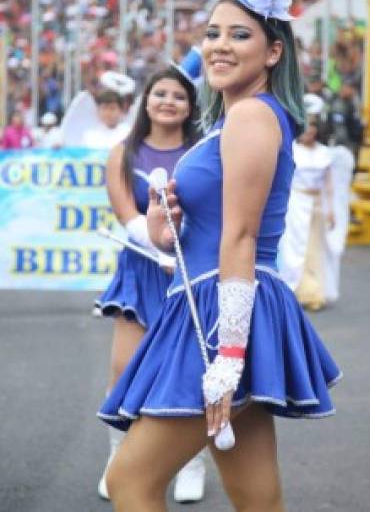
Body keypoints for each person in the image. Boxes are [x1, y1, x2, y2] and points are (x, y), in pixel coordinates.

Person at [98, 0, 341, 512]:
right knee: (258, 502)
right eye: (212, 34)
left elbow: (241, 238)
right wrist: (165, 231)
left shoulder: (254, 115)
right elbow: (211, 231)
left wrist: (229, 354)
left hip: (222, 313)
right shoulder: (232, 119)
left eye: (239, 35)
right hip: (220, 301)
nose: (219, 46)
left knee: (131, 482)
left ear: (274, 51)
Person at [95, 57, 210, 502]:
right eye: (160, 93)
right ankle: (117, 460)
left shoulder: (203, 152)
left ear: (189, 105)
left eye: (179, 96)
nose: (168, 101)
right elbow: (126, 214)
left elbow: (210, 211)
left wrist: (182, 252)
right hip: (142, 270)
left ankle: (191, 463)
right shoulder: (124, 152)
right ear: (146, 101)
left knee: (191, 370)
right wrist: (158, 243)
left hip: (191, 273)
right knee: (126, 367)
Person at [278, 94, 353, 311]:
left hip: (316, 205)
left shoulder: (324, 153)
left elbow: (329, 184)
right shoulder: (292, 150)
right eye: (306, 126)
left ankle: (313, 291)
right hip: (296, 203)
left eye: (313, 126)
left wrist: (331, 210)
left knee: (314, 248)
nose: (309, 130)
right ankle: (295, 289)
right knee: (294, 248)